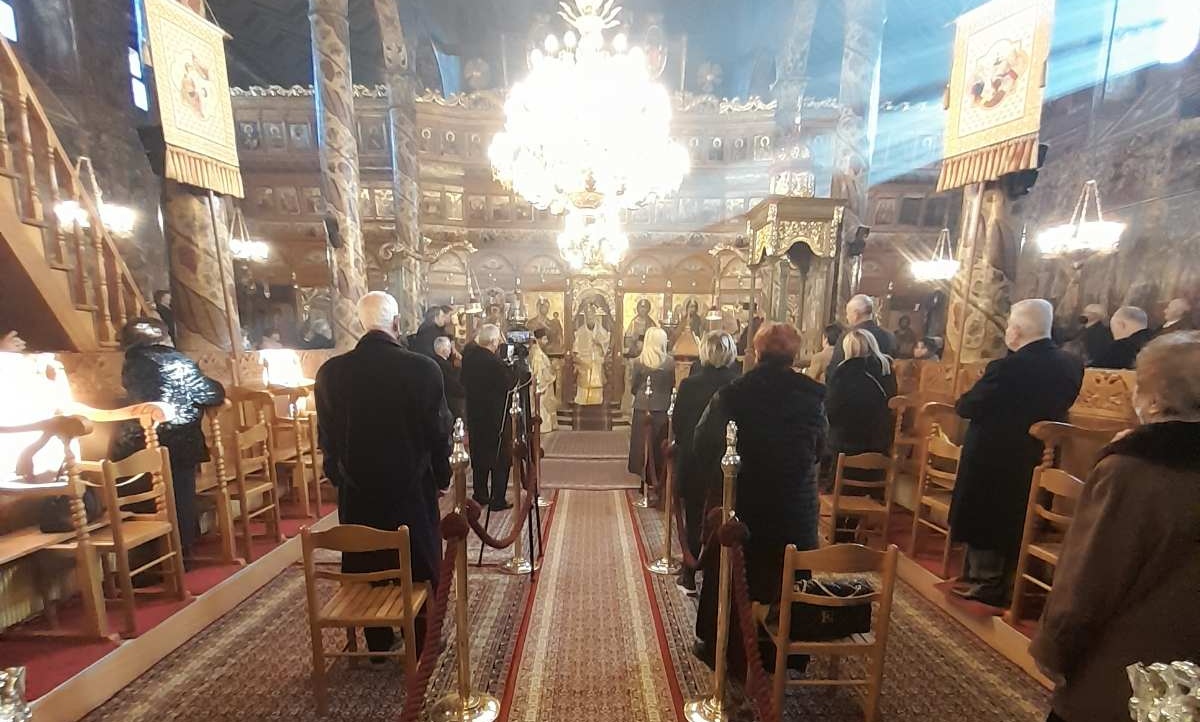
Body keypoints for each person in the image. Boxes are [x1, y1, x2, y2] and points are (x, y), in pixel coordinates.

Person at [1029, 332, 1200, 722]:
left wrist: (1053, 650)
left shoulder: (1132, 470)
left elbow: (1091, 576)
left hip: (1128, 674)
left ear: (1153, 399)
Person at [314, 292, 451, 656]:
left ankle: (377, 641)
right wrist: (441, 477)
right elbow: (439, 432)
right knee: (420, 562)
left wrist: (339, 476)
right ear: (396, 324)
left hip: (358, 492)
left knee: (366, 560)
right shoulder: (423, 369)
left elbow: (326, 437)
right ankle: (422, 641)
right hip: (412, 489)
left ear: (361, 324)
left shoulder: (331, 373)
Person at [692, 323, 826, 672]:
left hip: (744, 506)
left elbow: (703, 442)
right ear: (795, 355)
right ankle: (787, 651)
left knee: (735, 572)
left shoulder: (734, 393)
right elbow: (820, 449)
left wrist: (716, 484)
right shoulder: (813, 396)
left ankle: (724, 647)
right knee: (788, 576)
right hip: (794, 509)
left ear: (754, 352)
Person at [949, 299, 1084, 607]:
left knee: (986, 513)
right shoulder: (1070, 365)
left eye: (1009, 325)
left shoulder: (1008, 367)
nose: (1008, 331)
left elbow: (968, 405)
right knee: (1016, 516)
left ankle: (985, 582)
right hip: (1038, 454)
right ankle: (999, 578)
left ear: (1018, 331)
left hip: (994, 455)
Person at [110, 317, 225, 556]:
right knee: (180, 497)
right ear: (164, 337)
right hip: (181, 442)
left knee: (144, 499)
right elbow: (211, 393)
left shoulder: (134, 362)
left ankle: (153, 558)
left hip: (141, 445)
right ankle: (181, 551)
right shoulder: (178, 360)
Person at [672, 330, 739, 593]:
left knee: (694, 516)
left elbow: (678, 426)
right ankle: (720, 578)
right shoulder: (740, 384)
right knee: (727, 514)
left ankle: (689, 575)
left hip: (694, 461)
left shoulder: (690, 385)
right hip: (727, 465)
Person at [461, 324, 516, 510]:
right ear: (493, 341)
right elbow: (509, 384)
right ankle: (497, 499)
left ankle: (480, 494)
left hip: (475, 415)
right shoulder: (494, 363)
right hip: (495, 418)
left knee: (479, 456)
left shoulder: (469, 358)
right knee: (500, 458)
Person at [826, 329, 895, 458]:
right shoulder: (886, 368)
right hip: (880, 438)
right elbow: (891, 399)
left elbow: (832, 409)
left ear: (847, 348)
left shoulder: (843, 372)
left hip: (847, 442)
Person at [628, 327, 676, 495]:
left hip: (642, 407)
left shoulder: (638, 362)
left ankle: (643, 480)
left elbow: (634, 386)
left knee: (642, 445)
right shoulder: (670, 363)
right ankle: (657, 481)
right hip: (662, 407)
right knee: (658, 443)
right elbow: (672, 385)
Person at [828, 294, 898, 379]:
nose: (847, 317)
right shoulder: (889, 336)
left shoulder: (849, 337)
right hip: (882, 385)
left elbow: (834, 372)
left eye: (848, 313)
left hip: (852, 385)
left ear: (856, 314)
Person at [572, 302, 610, 405]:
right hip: (584, 365)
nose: (590, 318)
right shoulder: (580, 332)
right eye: (588, 316)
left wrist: (599, 342)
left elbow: (606, 345)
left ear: (595, 316)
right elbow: (575, 350)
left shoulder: (602, 331)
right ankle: (583, 405)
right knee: (584, 391)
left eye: (592, 315)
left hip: (597, 364)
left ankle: (596, 404)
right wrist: (580, 360)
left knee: (596, 389)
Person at [529, 328, 558, 433]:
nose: (546, 342)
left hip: (544, 385)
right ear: (539, 339)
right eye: (544, 339)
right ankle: (541, 428)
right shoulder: (537, 354)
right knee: (541, 407)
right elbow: (539, 374)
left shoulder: (537, 351)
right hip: (541, 387)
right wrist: (552, 372)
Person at [433, 335, 466, 422]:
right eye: (449, 347)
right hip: (450, 402)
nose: (451, 350)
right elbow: (454, 385)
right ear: (443, 350)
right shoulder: (444, 366)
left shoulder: (434, 362)